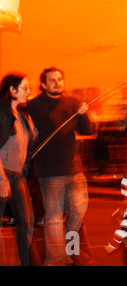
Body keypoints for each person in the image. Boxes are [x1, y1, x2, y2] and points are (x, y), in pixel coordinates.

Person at [27, 67, 96, 266]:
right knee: (54, 218)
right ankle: (55, 259)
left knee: (78, 212)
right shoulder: (33, 106)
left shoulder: (73, 103)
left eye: (60, 79)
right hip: (50, 171)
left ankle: (69, 251)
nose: (57, 83)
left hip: (74, 169)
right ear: (43, 84)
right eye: (52, 80)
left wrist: (84, 114)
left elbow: (87, 130)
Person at [0, 73, 37, 266]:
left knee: (27, 222)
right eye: (25, 88)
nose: (29, 92)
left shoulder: (22, 114)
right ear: (12, 90)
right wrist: (1, 179)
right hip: (2, 174)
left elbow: (29, 141)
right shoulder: (2, 112)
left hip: (17, 176)